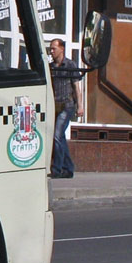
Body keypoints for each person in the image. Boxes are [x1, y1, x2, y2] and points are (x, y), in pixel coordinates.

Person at [49, 37, 81, 179]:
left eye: (54, 48)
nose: (51, 51)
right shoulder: (50, 67)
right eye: (50, 48)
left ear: (61, 49)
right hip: (54, 105)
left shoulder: (70, 65)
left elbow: (76, 87)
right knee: (59, 137)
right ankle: (68, 168)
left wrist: (80, 106)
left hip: (67, 106)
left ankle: (57, 169)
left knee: (57, 135)